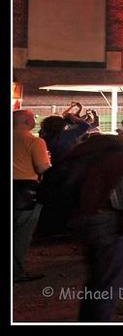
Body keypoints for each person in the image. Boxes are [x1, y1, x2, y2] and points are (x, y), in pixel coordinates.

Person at [74, 117, 123, 320]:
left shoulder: (95, 145)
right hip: (109, 223)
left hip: (85, 218)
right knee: (109, 283)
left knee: (96, 279)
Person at [14, 108, 51, 283]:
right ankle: (17, 272)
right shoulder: (34, 142)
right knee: (22, 234)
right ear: (28, 122)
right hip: (24, 192)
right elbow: (42, 168)